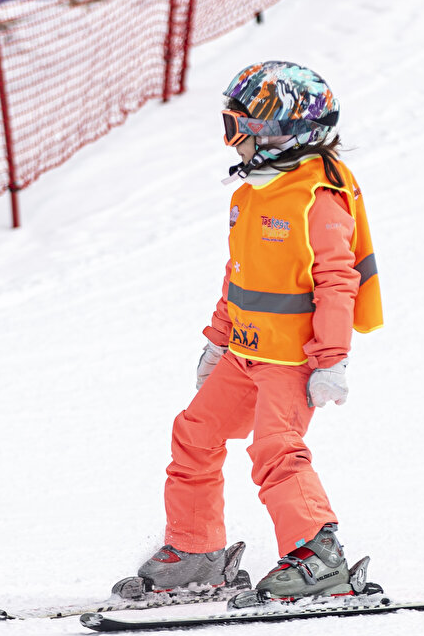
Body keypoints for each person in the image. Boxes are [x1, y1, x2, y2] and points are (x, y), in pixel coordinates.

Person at [135, 61, 383, 600]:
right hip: (244, 351)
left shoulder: (317, 198)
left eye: (238, 127)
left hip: (291, 361)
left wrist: (332, 359)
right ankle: (197, 551)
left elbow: (337, 282)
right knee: (195, 432)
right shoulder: (253, 192)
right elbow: (240, 274)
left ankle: (319, 557)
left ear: (280, 133)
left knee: (276, 448)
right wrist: (217, 339)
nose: (231, 140)